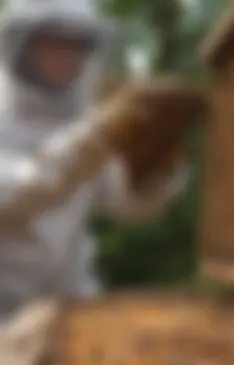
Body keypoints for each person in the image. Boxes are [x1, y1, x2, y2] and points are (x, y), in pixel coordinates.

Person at [0, 0, 202, 322]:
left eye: (81, 45)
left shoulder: (84, 120)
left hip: (70, 312)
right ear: (20, 45)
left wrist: (157, 168)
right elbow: (16, 195)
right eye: (57, 42)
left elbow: (129, 208)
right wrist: (101, 136)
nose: (71, 57)